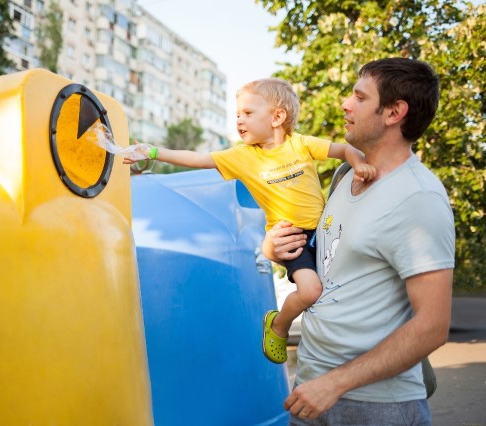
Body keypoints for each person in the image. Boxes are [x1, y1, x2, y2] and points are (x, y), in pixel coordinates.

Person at [124, 77, 376, 364]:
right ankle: (279, 325)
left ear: (277, 117)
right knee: (310, 290)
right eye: (237, 115)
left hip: (325, 232)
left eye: (247, 114)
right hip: (291, 239)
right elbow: (198, 158)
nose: (239, 121)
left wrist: (360, 163)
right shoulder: (242, 156)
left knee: (340, 288)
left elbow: (343, 150)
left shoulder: (300, 145)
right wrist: (154, 152)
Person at [261, 58, 455, 424]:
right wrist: (274, 248)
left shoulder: (418, 198)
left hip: (376, 405)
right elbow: (325, 258)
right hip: (312, 388)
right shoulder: (344, 173)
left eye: (360, 97)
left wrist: (335, 383)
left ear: (394, 112)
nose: (345, 104)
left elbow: (432, 325)